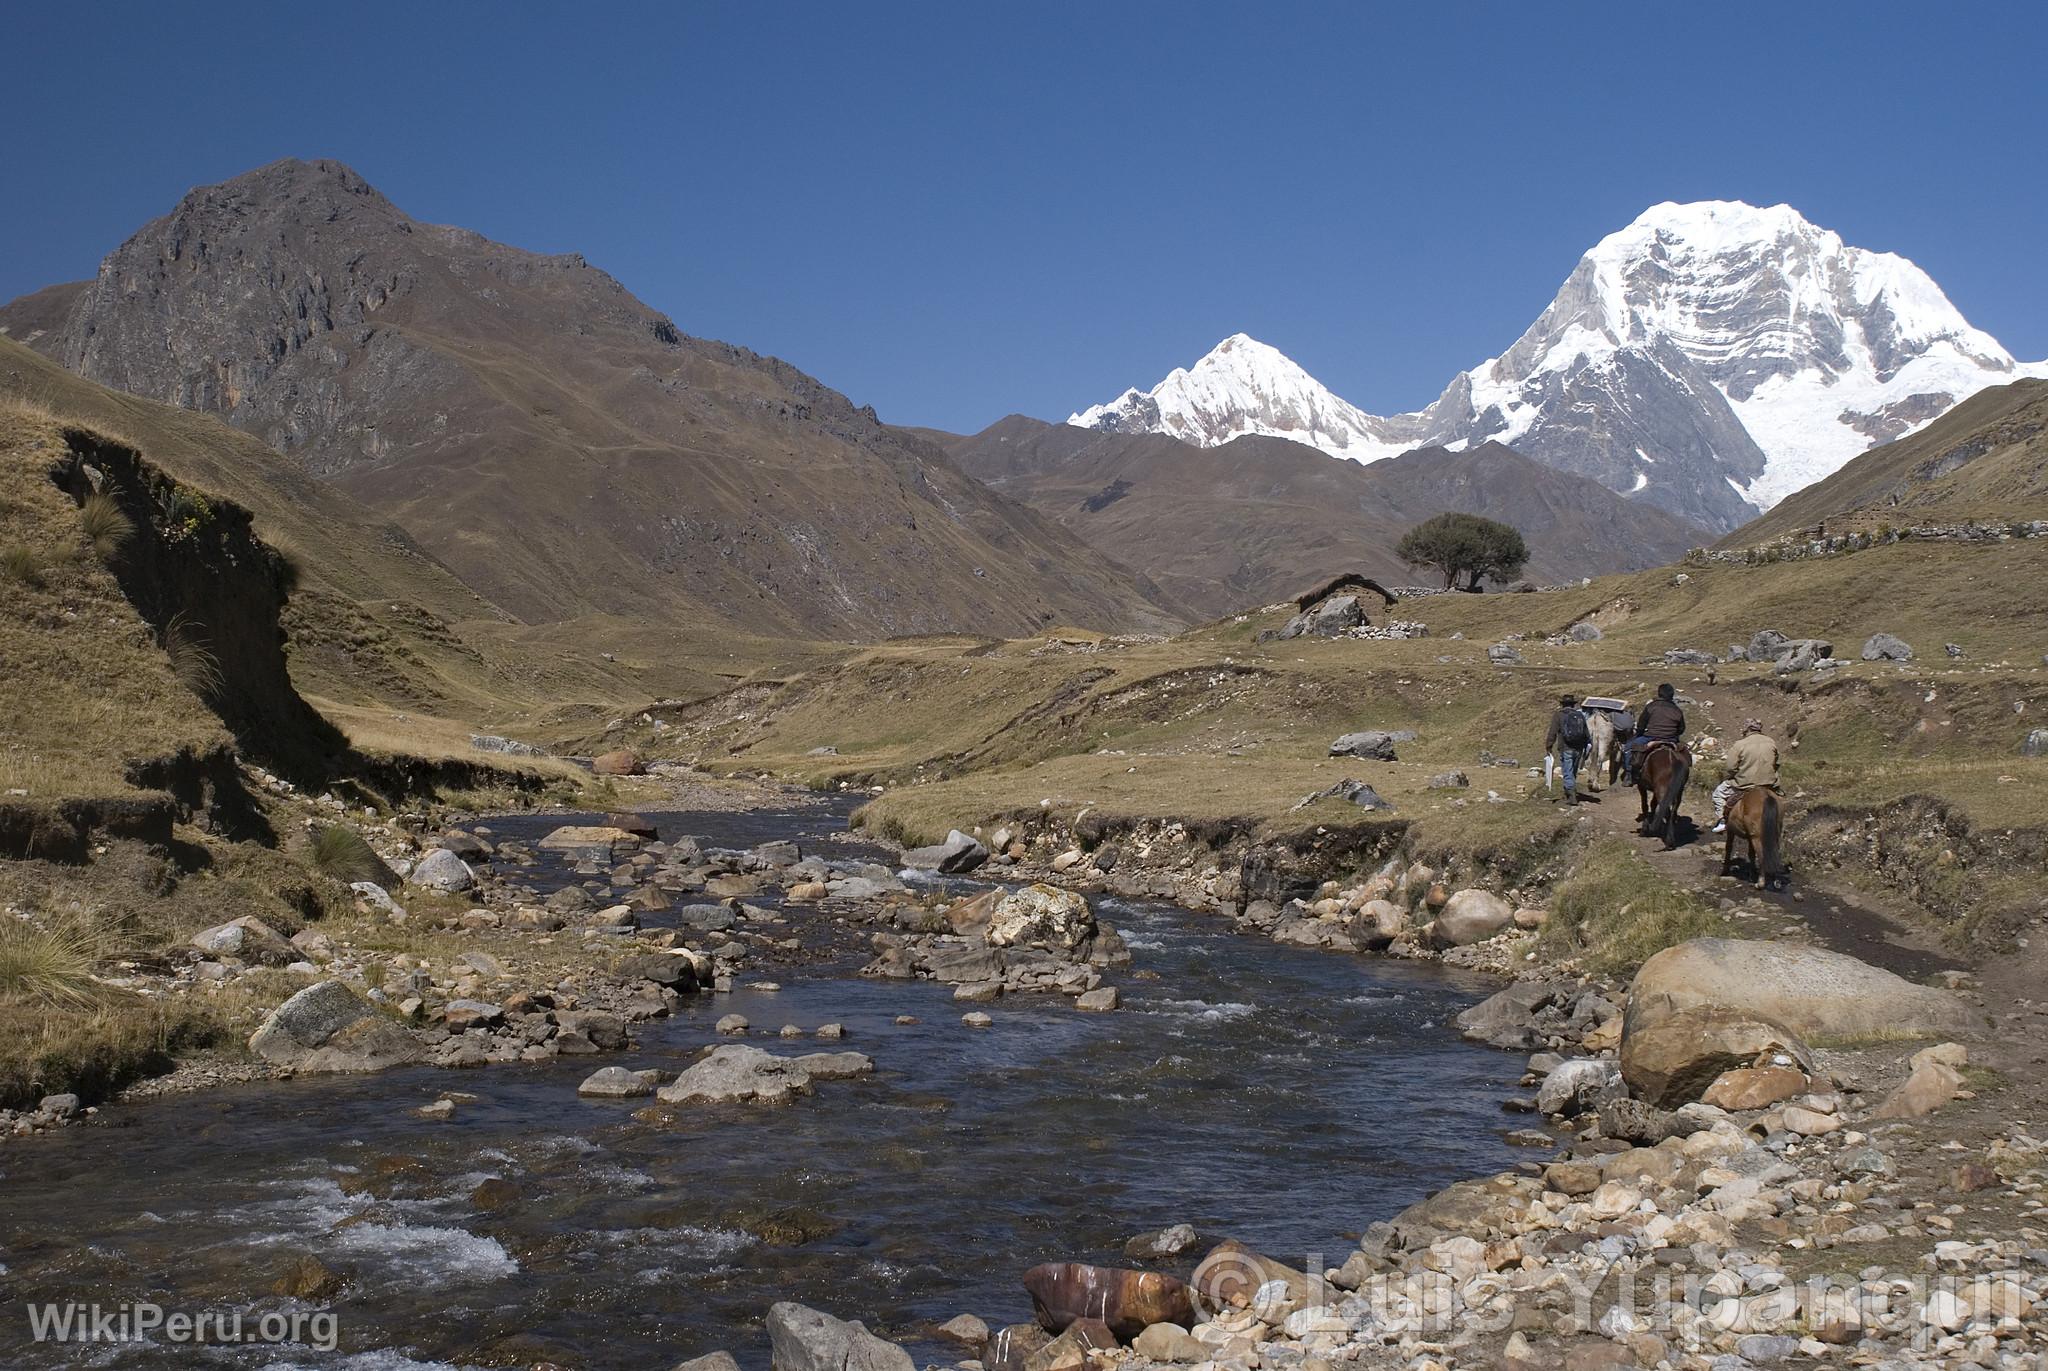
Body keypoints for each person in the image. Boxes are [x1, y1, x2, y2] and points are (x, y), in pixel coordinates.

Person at [1713, 719, 1781, 833]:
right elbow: (1777, 762)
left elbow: (1730, 767)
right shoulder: (1771, 742)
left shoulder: (1740, 744)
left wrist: (1735, 774)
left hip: (1745, 783)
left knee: (1718, 793)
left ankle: (1723, 821)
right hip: (1769, 783)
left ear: (1747, 729)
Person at [1625, 683, 1685, 782]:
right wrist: (1674, 735)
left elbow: (1641, 725)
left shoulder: (1651, 707)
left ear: (1659, 694)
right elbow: (1682, 728)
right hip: (1670, 739)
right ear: (1672, 695)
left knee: (1628, 748)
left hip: (1650, 737)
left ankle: (1629, 774)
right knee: (1685, 752)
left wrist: (1639, 734)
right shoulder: (1677, 710)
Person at [1545, 693, 1592, 804]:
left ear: (1563, 704)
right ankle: (1571, 790)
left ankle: (1571, 794)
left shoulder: (1559, 715)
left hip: (1566, 747)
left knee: (1567, 770)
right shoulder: (1579, 715)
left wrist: (1549, 745)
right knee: (1573, 770)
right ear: (1573, 704)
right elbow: (1586, 732)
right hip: (1579, 748)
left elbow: (1553, 732)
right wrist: (1586, 747)